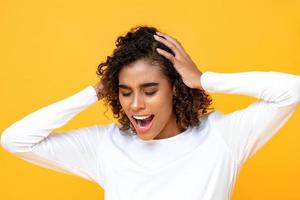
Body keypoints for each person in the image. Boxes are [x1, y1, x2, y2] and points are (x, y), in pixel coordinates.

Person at [1, 25, 299, 200]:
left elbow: (293, 90)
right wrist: (93, 92)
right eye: (125, 91)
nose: (135, 105)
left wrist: (203, 79)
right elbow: (15, 140)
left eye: (150, 90)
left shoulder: (222, 137)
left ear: (176, 88)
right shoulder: (106, 146)